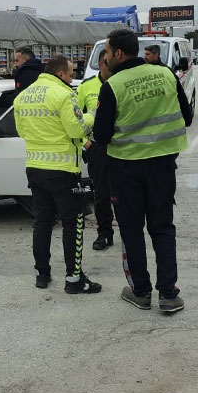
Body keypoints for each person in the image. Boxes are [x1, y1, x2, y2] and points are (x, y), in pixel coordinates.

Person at [93, 29, 193, 314]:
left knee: (131, 230)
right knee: (163, 228)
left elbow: (100, 135)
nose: (107, 58)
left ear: (118, 54)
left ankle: (140, 291)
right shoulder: (166, 75)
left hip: (126, 169)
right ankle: (168, 294)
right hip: (162, 166)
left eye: (108, 53)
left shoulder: (113, 85)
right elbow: (186, 117)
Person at [15, 55, 102, 295]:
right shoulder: (64, 95)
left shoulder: (24, 96)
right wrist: (92, 115)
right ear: (61, 74)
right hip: (63, 172)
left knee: (42, 222)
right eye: (71, 73)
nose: (72, 77)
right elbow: (77, 128)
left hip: (35, 168)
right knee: (72, 223)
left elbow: (22, 130)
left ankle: (41, 274)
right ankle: (74, 279)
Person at [76, 52, 115, 251]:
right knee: (101, 194)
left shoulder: (122, 83)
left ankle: (128, 232)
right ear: (102, 64)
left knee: (125, 193)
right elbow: (75, 118)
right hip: (97, 148)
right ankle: (104, 233)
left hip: (122, 146)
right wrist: (85, 143)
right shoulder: (86, 87)